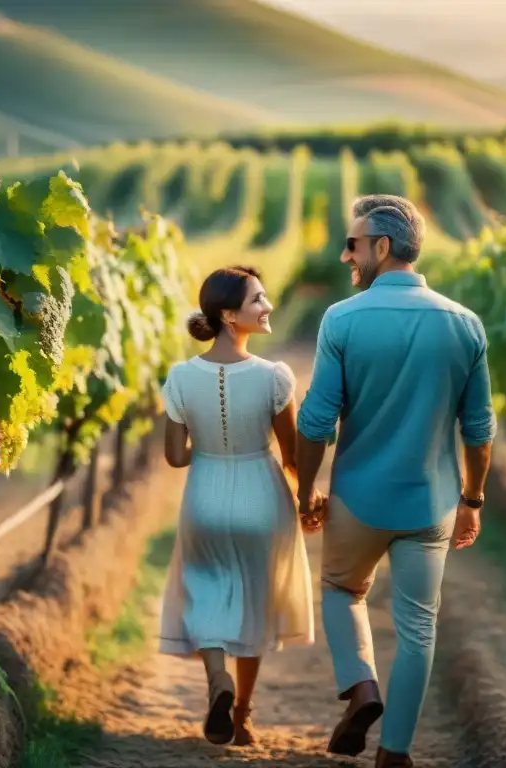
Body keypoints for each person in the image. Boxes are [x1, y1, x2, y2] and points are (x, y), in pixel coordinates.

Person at [295, 195, 496, 768]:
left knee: (341, 589)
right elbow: (479, 429)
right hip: (430, 504)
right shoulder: (464, 324)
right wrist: (472, 498)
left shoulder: (343, 319)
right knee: (418, 628)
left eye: (353, 245)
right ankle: (396, 753)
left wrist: (308, 489)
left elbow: (315, 421)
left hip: (358, 497)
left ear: (382, 248)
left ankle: (361, 688)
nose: (346, 256)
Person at [159, 265, 317, 748]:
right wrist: (308, 499)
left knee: (206, 594)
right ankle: (243, 717)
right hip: (260, 495)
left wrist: (202, 448)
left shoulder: (182, 376)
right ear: (230, 315)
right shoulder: (274, 377)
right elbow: (291, 456)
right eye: (258, 300)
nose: (267, 307)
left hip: (205, 491)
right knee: (255, 606)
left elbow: (174, 456)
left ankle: (216, 683)